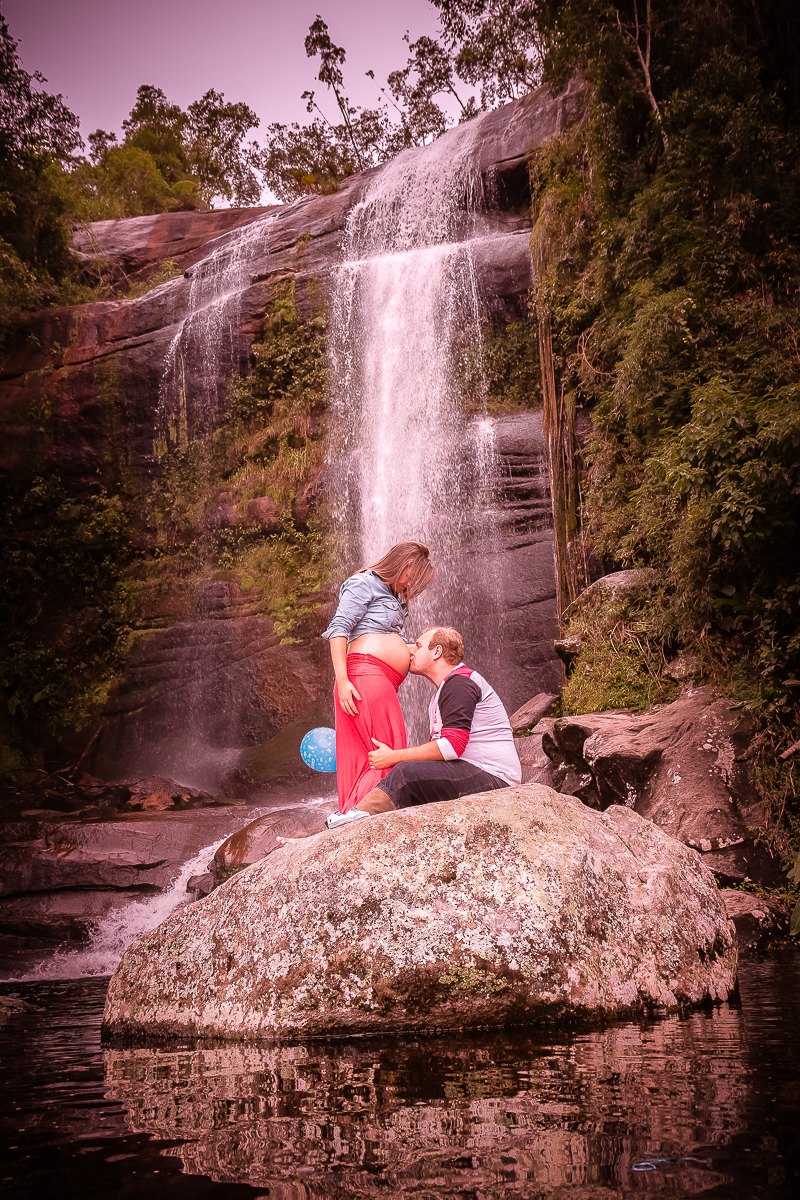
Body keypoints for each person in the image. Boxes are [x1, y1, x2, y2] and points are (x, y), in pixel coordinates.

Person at [320, 541, 435, 821]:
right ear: (403, 564)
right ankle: (361, 818)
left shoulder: (392, 594)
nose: (410, 585)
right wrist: (343, 681)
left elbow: (381, 637)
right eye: (411, 576)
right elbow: (338, 630)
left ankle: (351, 819)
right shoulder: (363, 583)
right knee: (388, 754)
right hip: (362, 680)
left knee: (372, 758)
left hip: (376, 681)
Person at [354, 625, 521, 815]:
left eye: (418, 646)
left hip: (495, 778)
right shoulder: (443, 690)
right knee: (410, 775)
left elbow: (452, 746)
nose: (410, 651)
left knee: (406, 774)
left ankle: (357, 818)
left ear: (437, 652)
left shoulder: (460, 683)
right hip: (476, 772)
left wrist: (393, 756)